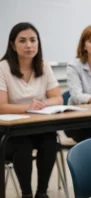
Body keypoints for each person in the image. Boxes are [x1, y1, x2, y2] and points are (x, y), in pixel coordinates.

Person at [0, 22, 63, 198]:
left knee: (50, 140)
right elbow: (1, 106)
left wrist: (44, 103)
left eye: (33, 40)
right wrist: (28, 107)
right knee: (23, 144)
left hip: (37, 127)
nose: (29, 45)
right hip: (10, 133)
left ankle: (41, 193)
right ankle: (26, 194)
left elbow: (57, 98)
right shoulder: (3, 67)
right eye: (22, 40)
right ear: (13, 44)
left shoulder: (43, 65)